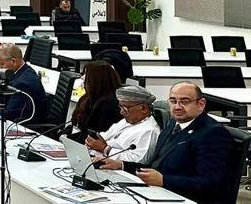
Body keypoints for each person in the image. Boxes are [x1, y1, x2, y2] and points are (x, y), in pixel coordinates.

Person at [98, 82, 238, 203]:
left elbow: (211, 183)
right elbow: (155, 167)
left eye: (184, 102)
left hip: (188, 198)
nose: (177, 107)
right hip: (162, 192)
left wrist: (164, 180)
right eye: (173, 101)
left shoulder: (213, 134)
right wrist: (121, 165)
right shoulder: (172, 125)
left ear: (201, 104)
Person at [86, 85, 160, 163]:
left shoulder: (150, 131)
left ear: (143, 108)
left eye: (125, 108)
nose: (121, 112)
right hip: (95, 157)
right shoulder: (126, 121)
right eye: (120, 107)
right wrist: (92, 142)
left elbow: (138, 161)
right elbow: (105, 136)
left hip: (112, 167)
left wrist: (105, 149)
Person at [69, 60, 123, 142]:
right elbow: (76, 124)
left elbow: (95, 135)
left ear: (96, 78)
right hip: (77, 140)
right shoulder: (86, 97)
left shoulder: (109, 104)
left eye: (86, 74)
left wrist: (67, 138)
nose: (82, 77)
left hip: (90, 145)